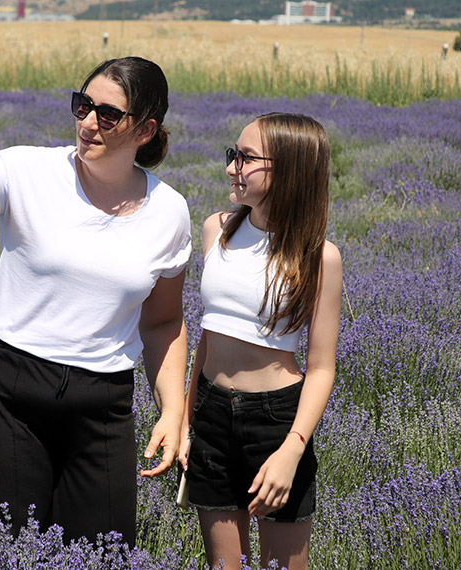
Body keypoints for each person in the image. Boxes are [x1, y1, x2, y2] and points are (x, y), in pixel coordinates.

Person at [0, 56, 191, 546]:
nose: (88, 122)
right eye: (83, 105)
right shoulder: (26, 169)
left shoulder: (169, 212)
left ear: (145, 130)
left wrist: (173, 411)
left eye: (108, 114)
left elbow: (163, 323)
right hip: (8, 391)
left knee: (102, 555)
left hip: (103, 405)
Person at [178, 113, 343, 570]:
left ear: (288, 170)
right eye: (233, 154)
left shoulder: (319, 257)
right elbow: (208, 336)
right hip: (212, 414)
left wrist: (293, 449)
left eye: (246, 158)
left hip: (277, 422)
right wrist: (189, 423)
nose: (231, 167)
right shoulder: (217, 229)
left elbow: (322, 368)